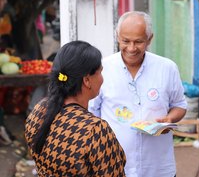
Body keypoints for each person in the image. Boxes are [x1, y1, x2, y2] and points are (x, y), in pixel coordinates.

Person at [89, 11, 187, 176]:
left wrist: (169, 119)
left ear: (150, 39)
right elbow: (92, 113)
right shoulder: (102, 69)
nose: (131, 48)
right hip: (114, 167)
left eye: (139, 42)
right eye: (125, 41)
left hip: (158, 168)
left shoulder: (167, 68)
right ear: (117, 36)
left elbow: (180, 105)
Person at [24, 41, 126, 176]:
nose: (102, 79)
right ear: (87, 80)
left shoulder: (39, 110)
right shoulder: (94, 130)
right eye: (100, 72)